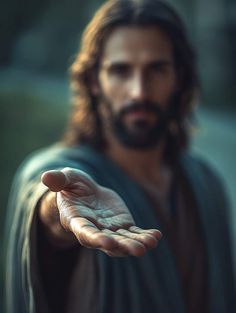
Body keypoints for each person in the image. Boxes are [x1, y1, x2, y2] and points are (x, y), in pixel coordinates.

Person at [4, 0, 235, 313]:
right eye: (120, 70)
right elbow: (43, 189)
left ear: (179, 77)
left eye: (157, 69)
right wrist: (56, 213)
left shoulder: (206, 183)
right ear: (94, 81)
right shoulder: (60, 169)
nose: (138, 91)